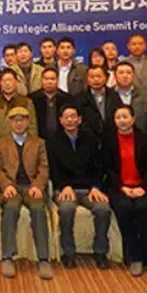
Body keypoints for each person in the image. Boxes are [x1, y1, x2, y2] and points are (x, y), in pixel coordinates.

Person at [102, 105, 147, 280]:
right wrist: (122, 188)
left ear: (133, 119)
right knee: (124, 209)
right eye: (118, 117)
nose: (122, 121)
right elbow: (108, 169)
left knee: (144, 209)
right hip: (119, 188)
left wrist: (142, 188)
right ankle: (135, 258)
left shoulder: (145, 139)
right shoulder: (108, 140)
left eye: (125, 117)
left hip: (143, 188)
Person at [47, 104, 111, 270]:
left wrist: (96, 187)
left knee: (103, 209)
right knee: (67, 209)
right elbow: (53, 170)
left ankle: (100, 251)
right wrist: (64, 186)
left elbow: (98, 167)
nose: (70, 120)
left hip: (89, 189)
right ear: (60, 120)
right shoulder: (53, 142)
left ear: (80, 119)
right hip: (65, 189)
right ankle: (68, 252)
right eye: (66, 117)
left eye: (73, 116)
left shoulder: (91, 140)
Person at [0, 107, 52, 280]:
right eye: (15, 120)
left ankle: (43, 259)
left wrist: (38, 186)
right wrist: (6, 186)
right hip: (11, 188)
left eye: (22, 120)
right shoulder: (0, 143)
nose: (19, 123)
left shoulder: (39, 142)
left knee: (38, 208)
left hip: (31, 187)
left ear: (28, 122)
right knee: (11, 207)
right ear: (9, 122)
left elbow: (44, 168)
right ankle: (7, 257)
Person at [0, 69, 38, 139]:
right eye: (4, 81)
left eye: (10, 80)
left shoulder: (26, 101)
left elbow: (32, 127)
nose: (7, 83)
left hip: (20, 143)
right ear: (0, 83)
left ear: (16, 82)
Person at [74, 66, 124, 141]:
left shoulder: (114, 95)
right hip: (88, 139)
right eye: (92, 77)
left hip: (111, 138)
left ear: (105, 78)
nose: (96, 79)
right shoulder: (80, 98)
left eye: (99, 76)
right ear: (87, 79)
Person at [113, 62, 147, 132]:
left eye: (129, 73)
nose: (125, 76)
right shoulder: (109, 94)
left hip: (141, 136)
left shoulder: (145, 95)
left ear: (133, 75)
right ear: (115, 75)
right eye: (121, 73)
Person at [29, 68, 73, 139]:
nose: (49, 82)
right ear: (41, 80)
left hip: (62, 139)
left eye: (52, 79)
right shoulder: (32, 98)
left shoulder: (67, 98)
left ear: (57, 80)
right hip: (39, 139)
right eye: (46, 79)